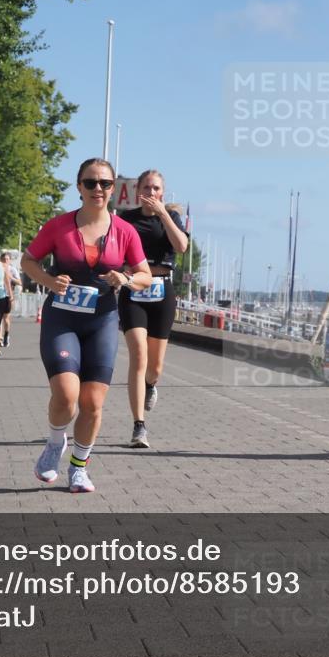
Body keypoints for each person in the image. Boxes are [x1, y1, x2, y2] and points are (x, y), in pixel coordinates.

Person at [21, 158, 152, 493]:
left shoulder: (125, 231)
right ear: (79, 187)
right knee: (66, 396)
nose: (98, 189)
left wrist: (125, 278)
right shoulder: (58, 226)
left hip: (102, 321)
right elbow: (28, 261)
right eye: (90, 183)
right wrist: (50, 281)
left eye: (105, 183)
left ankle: (79, 468)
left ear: (113, 188)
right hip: (62, 319)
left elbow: (145, 276)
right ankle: (55, 443)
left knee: (93, 403)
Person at [117, 170, 189, 449]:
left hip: (161, 290)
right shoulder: (126, 219)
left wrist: (163, 215)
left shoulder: (171, 217)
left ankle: (150, 385)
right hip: (133, 289)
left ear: (162, 192)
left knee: (154, 367)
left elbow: (181, 246)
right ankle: (139, 426)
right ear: (138, 191)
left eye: (156, 188)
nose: (151, 192)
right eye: (146, 187)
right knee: (138, 356)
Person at [0, 252, 23, 347]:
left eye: (7, 259)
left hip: (7, 295)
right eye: (3, 259)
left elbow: (19, 282)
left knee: (6, 318)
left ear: (9, 260)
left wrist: (11, 277)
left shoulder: (12, 269)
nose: (5, 261)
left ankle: (6, 335)